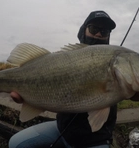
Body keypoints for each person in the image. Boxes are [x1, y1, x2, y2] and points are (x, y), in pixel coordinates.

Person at [9, 10, 117, 148]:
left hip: (96, 140)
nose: (98, 34)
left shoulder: (114, 67)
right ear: (83, 30)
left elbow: (137, 93)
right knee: (16, 144)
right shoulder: (68, 59)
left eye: (105, 31)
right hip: (63, 130)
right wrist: (33, 101)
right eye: (94, 28)